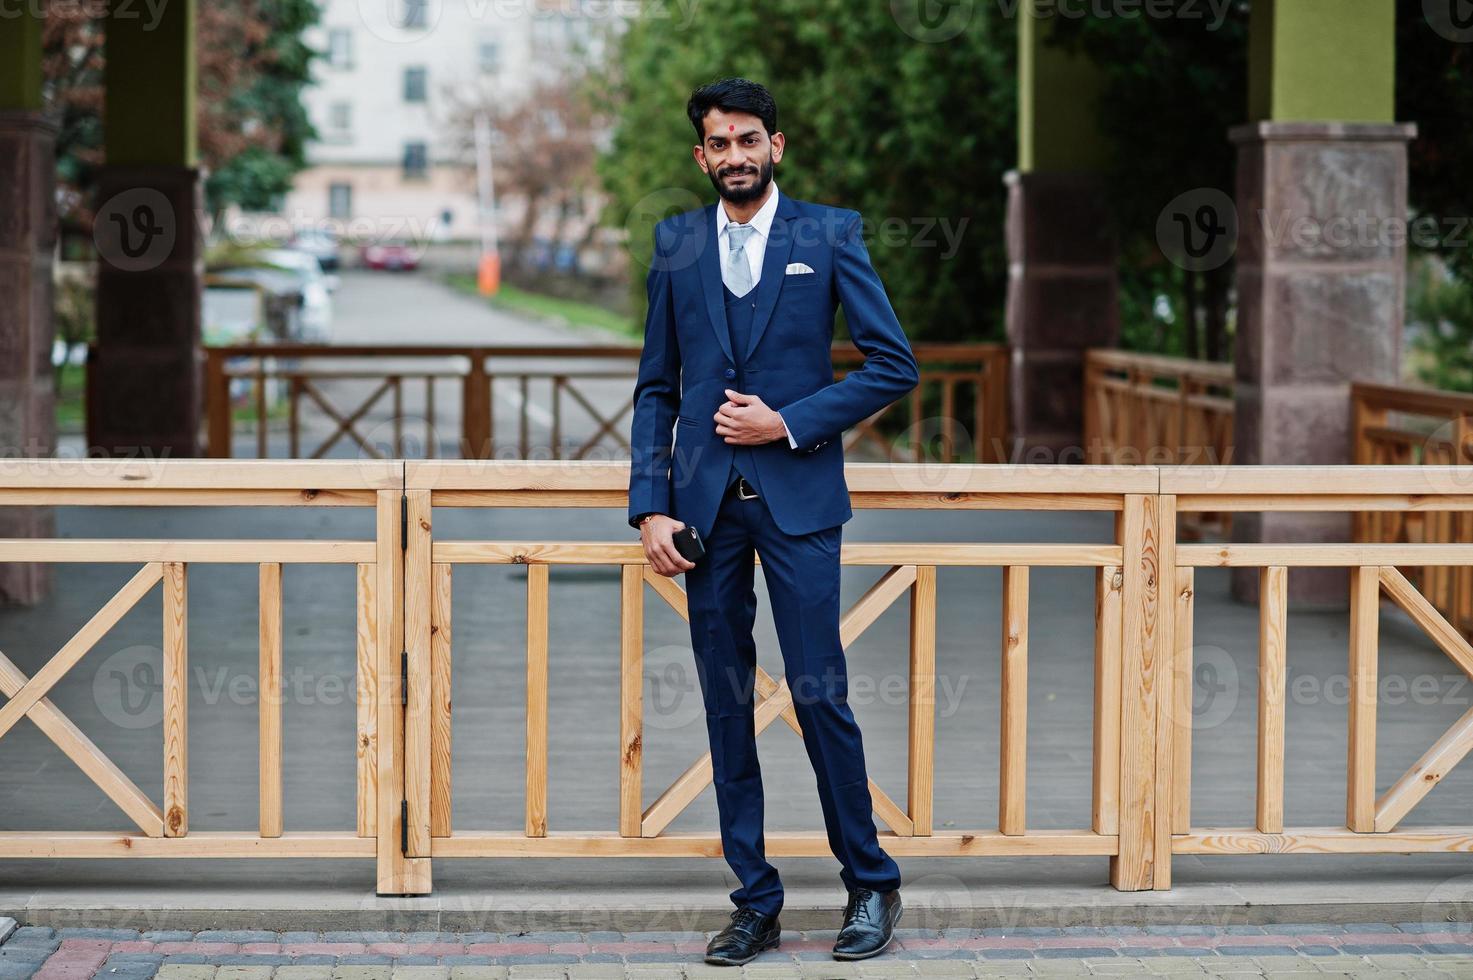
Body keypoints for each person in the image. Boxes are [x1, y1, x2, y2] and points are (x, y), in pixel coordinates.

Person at [626, 77, 920, 966]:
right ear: (701, 156)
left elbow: (891, 363)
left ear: (775, 146)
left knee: (818, 693)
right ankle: (754, 899)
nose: (735, 157)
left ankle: (870, 885)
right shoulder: (676, 242)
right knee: (724, 705)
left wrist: (788, 422)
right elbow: (655, 387)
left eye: (748, 140)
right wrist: (648, 505)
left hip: (798, 507)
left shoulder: (828, 234)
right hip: (702, 515)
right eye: (718, 144)